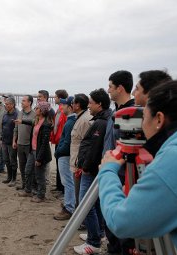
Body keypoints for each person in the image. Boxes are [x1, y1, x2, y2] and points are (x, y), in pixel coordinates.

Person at [99, 80, 177, 254]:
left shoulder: (174, 159)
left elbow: (121, 222)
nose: (141, 125)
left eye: (144, 117)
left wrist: (107, 171)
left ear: (159, 118)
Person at [73, 88, 111, 254]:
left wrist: (85, 167)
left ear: (99, 104)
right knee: (95, 204)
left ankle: (93, 242)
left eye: (91, 102)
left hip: (91, 170)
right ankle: (99, 233)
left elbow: (94, 149)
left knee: (85, 205)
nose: (89, 105)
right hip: (94, 169)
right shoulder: (102, 119)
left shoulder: (101, 123)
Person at [104, 70, 136, 253]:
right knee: (111, 231)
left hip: (123, 179)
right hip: (110, 173)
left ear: (120, 88)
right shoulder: (115, 112)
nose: (108, 90)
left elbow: (129, 152)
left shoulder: (130, 114)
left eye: (110, 86)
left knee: (122, 235)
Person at [17, 101, 53, 203]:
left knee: (39, 175)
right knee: (28, 171)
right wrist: (21, 121)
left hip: (40, 153)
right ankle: (28, 190)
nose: (35, 109)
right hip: (32, 151)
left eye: (37, 108)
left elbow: (44, 143)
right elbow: (30, 122)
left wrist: (39, 158)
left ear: (42, 111)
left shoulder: (46, 124)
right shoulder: (37, 120)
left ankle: (41, 195)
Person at [53, 96, 76, 220]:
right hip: (65, 154)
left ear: (70, 107)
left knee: (67, 182)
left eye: (64, 105)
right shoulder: (70, 120)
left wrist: (58, 152)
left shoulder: (71, 121)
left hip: (65, 155)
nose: (61, 107)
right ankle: (69, 203)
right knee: (67, 182)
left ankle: (69, 208)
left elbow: (67, 143)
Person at [69, 94, 92, 208]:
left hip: (79, 164)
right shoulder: (80, 117)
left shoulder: (85, 120)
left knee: (80, 194)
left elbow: (87, 145)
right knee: (77, 192)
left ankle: (82, 222)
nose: (71, 105)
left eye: (73, 103)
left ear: (77, 105)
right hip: (76, 161)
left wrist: (81, 165)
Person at [13, 95, 35, 190]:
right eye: (21, 101)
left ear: (29, 102)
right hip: (20, 144)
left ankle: (30, 187)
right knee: (22, 167)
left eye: (24, 101)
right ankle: (24, 184)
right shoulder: (20, 113)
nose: (21, 102)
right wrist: (14, 140)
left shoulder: (34, 114)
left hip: (29, 145)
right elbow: (16, 128)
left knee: (29, 168)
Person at [50, 89, 68, 193]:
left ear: (60, 98)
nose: (54, 98)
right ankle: (58, 187)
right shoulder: (59, 110)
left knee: (61, 166)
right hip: (58, 141)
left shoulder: (63, 111)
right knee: (58, 165)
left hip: (61, 141)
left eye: (55, 97)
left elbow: (63, 127)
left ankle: (62, 189)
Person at [1, 97, 19, 186]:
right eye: (5, 104)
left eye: (8, 104)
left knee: (13, 160)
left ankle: (14, 179)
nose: (6, 106)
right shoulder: (5, 114)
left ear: (12, 105)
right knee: (6, 160)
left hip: (12, 141)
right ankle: (9, 177)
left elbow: (17, 129)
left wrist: (15, 141)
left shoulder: (17, 114)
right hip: (4, 140)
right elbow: (3, 125)